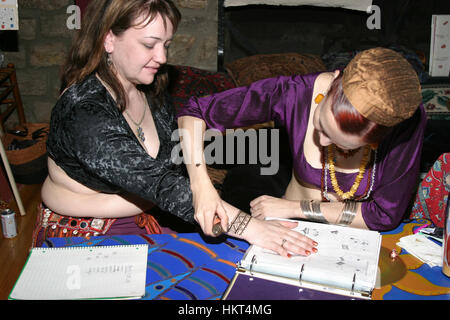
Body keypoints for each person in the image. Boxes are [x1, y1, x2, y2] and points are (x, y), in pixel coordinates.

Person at [34, 0, 317, 257]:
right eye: (149, 44)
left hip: (151, 210)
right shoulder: (84, 111)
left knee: (266, 145)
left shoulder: (148, 85)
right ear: (109, 39)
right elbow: (162, 184)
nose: (161, 57)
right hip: (89, 233)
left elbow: (173, 148)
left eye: (166, 45)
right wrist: (251, 226)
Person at [177, 47, 427, 235]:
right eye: (320, 124)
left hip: (355, 243)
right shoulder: (294, 94)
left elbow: (383, 215)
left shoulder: (404, 123)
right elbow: (194, 111)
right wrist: (201, 187)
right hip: (289, 230)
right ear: (333, 81)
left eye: (342, 144)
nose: (324, 141)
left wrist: (295, 207)